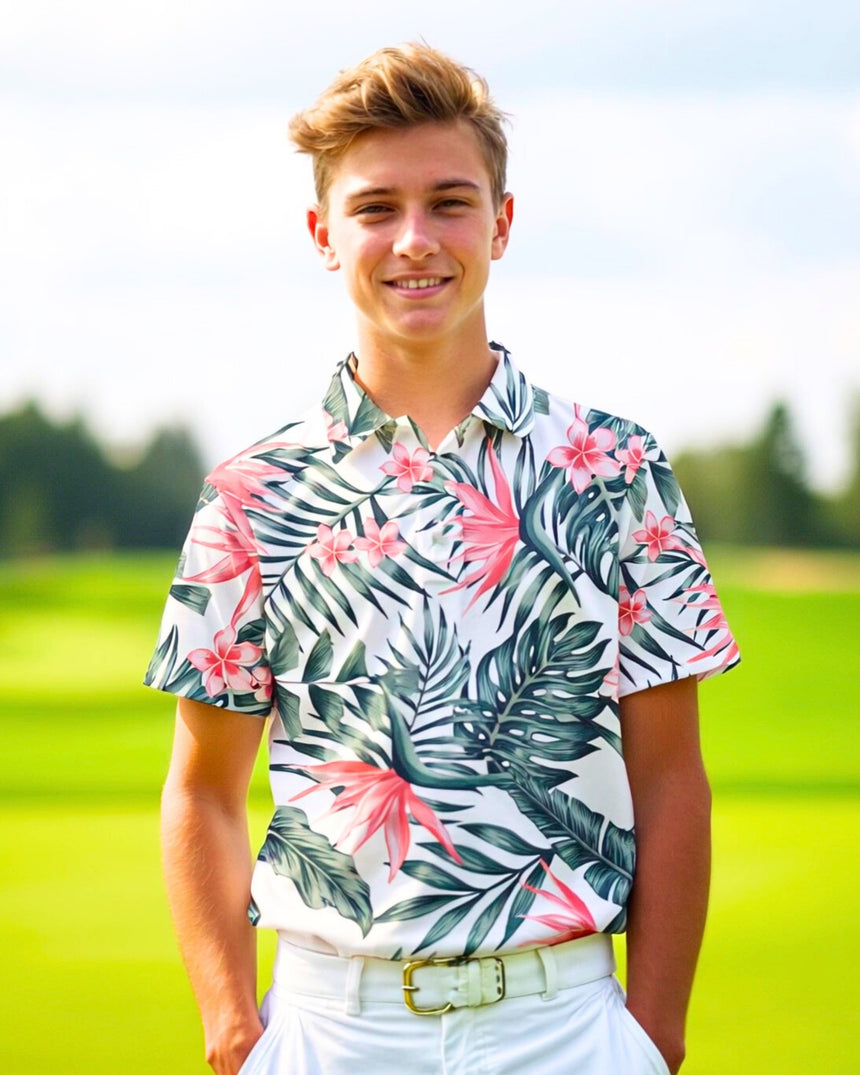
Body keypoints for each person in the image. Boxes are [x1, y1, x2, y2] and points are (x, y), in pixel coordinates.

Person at [146, 43, 739, 1075]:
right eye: (374, 207)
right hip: (330, 1029)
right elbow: (201, 787)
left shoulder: (615, 467)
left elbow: (668, 772)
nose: (414, 240)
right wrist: (232, 1024)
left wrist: (649, 1032)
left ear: (500, 224)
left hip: (565, 1026)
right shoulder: (250, 493)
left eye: (449, 202)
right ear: (322, 236)